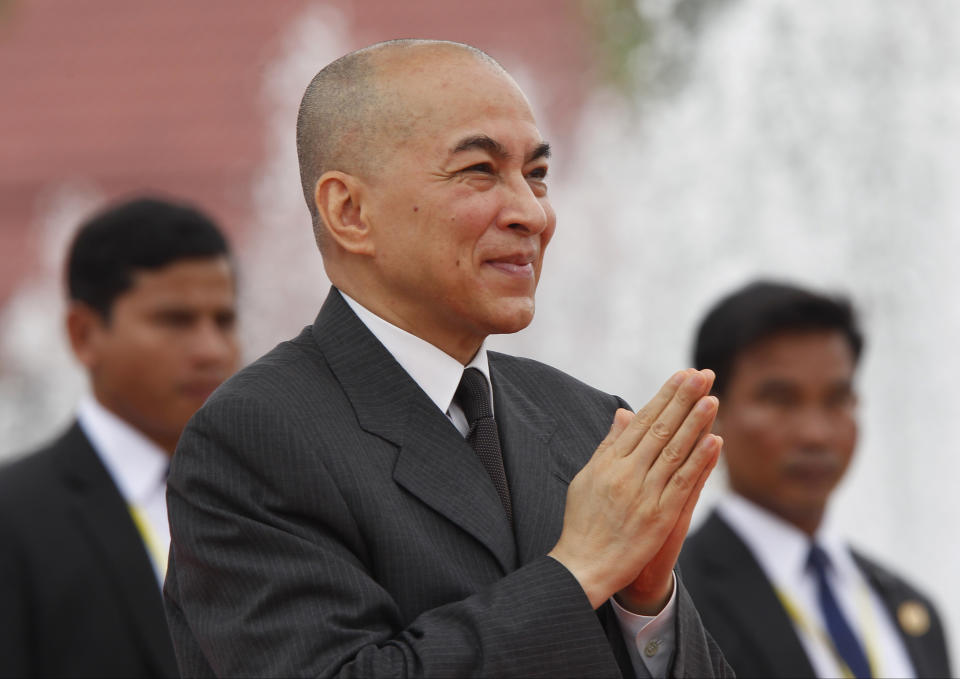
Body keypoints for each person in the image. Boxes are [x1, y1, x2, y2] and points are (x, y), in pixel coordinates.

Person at [164, 39, 731, 678]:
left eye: (537, 174)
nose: (532, 213)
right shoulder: (256, 437)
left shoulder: (586, 421)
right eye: (480, 171)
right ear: (350, 211)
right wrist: (577, 572)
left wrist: (645, 604)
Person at [0, 197, 240, 678]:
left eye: (224, 320)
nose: (212, 350)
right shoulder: (14, 520)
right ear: (84, 333)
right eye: (175, 320)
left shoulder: (273, 495)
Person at [679, 280, 951, 678]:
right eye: (780, 399)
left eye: (837, 400)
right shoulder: (670, 602)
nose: (815, 434)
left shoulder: (911, 608)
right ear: (711, 412)